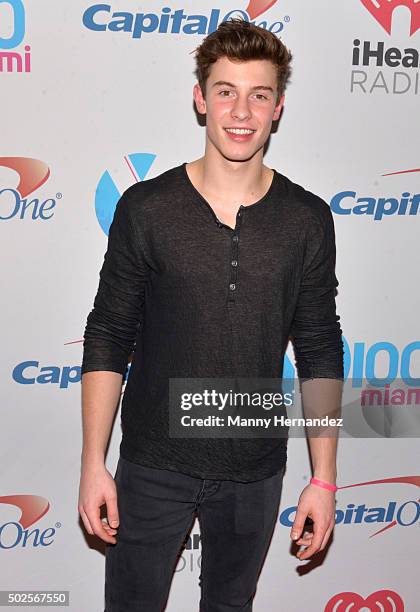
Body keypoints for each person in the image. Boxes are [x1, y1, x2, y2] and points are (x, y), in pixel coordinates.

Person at [78, 18, 344, 612]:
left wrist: (323, 478)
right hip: (151, 464)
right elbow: (108, 336)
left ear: (278, 108)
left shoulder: (307, 218)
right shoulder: (146, 208)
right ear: (200, 99)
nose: (241, 111)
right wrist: (93, 463)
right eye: (226, 91)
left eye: (259, 94)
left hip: (255, 470)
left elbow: (320, 348)